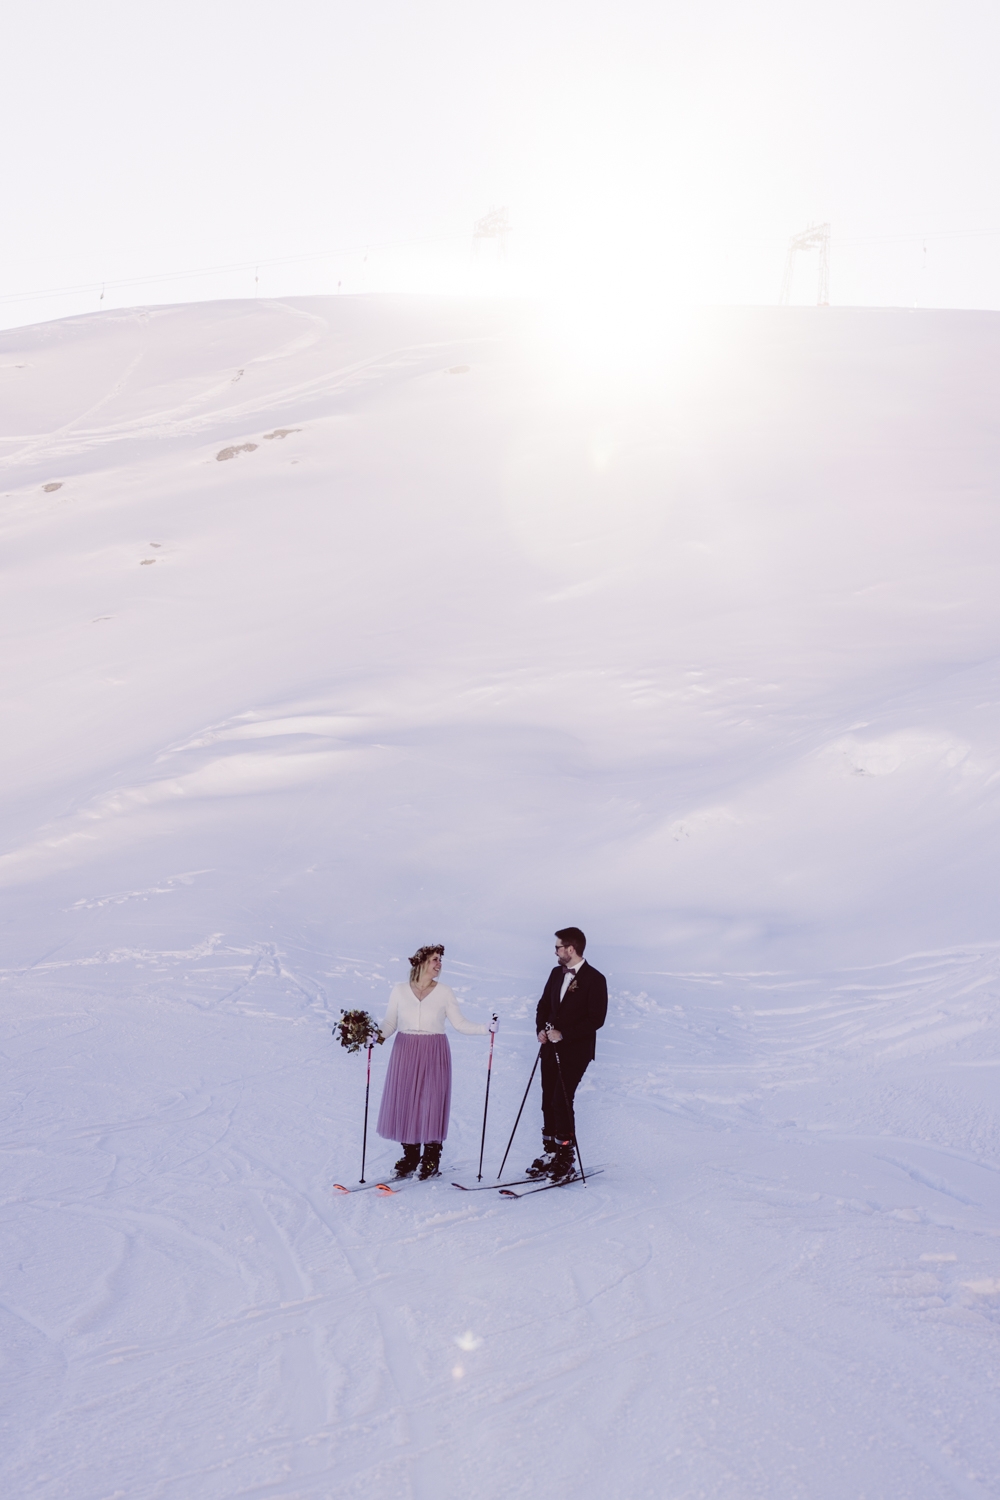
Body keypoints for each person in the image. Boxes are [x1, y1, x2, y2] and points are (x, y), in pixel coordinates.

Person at [376, 943, 492, 1180]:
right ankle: (410, 1156)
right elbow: (390, 1023)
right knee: (406, 1102)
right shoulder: (399, 990)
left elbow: (460, 1024)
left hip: (433, 1050)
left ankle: (431, 1157)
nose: (439, 964)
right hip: (405, 1050)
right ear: (421, 962)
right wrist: (374, 1037)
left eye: (440, 960)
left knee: (431, 1101)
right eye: (435, 960)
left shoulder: (444, 992)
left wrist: (486, 1028)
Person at [526, 927, 608, 1182]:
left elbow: (596, 1019)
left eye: (558, 947)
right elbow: (544, 1006)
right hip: (549, 1048)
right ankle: (550, 1152)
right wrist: (541, 1029)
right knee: (547, 1100)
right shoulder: (555, 973)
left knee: (561, 1100)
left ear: (570, 949)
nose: (555, 951)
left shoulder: (595, 979)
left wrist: (564, 1034)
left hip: (575, 1050)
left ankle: (565, 1156)